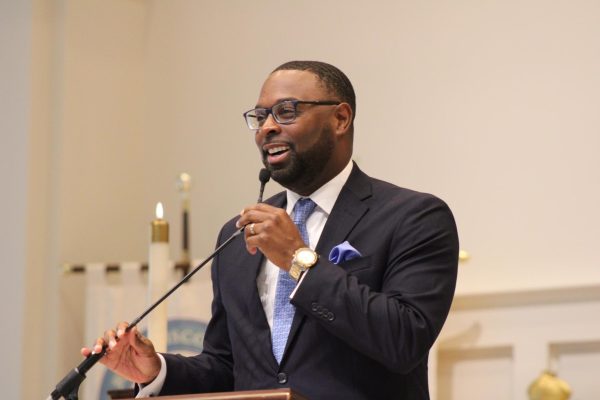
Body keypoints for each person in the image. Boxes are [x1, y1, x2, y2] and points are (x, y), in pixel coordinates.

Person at [82, 60, 459, 399]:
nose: (268, 128)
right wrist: (157, 371)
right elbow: (229, 367)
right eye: (260, 116)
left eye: (286, 111)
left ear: (341, 119)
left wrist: (298, 261)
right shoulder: (237, 236)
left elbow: (404, 340)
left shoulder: (412, 217)